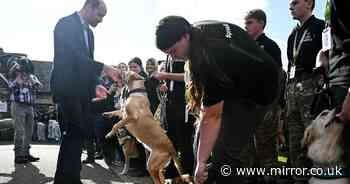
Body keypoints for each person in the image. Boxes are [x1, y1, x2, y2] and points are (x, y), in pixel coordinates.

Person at [155, 16, 281, 184]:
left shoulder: (210, 58)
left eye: (173, 51)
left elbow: (212, 118)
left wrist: (200, 163)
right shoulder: (198, 30)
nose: (174, 58)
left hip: (259, 92)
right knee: (201, 138)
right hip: (237, 83)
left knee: (226, 153)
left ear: (185, 36)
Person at [50, 0, 121, 183]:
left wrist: (95, 84)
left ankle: (67, 178)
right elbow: (73, 57)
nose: (101, 20)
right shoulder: (64, 24)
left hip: (82, 92)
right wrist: (104, 68)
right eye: (100, 15)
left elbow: (87, 63)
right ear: (89, 7)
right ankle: (69, 179)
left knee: (76, 134)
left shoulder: (89, 33)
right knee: (75, 130)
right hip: (67, 88)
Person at [286, 0, 325, 183]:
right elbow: (290, 65)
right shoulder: (292, 34)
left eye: (295, 2)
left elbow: (328, 58)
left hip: (312, 89)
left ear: (309, 3)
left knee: (317, 142)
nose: (290, 6)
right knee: (296, 146)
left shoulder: (320, 26)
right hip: (292, 91)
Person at [244, 9, 284, 183]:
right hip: (247, 106)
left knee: (266, 150)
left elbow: (277, 77)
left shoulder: (269, 46)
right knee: (248, 151)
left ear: (261, 23)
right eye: (245, 23)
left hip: (265, 106)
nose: (245, 27)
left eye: (249, 23)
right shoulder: (243, 46)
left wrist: (275, 106)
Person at [8, 58, 42, 164]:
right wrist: (18, 78)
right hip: (18, 105)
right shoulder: (14, 75)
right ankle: (18, 155)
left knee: (29, 131)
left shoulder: (32, 76)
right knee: (20, 131)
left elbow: (39, 86)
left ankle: (26, 154)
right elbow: (11, 86)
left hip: (29, 106)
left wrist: (32, 81)